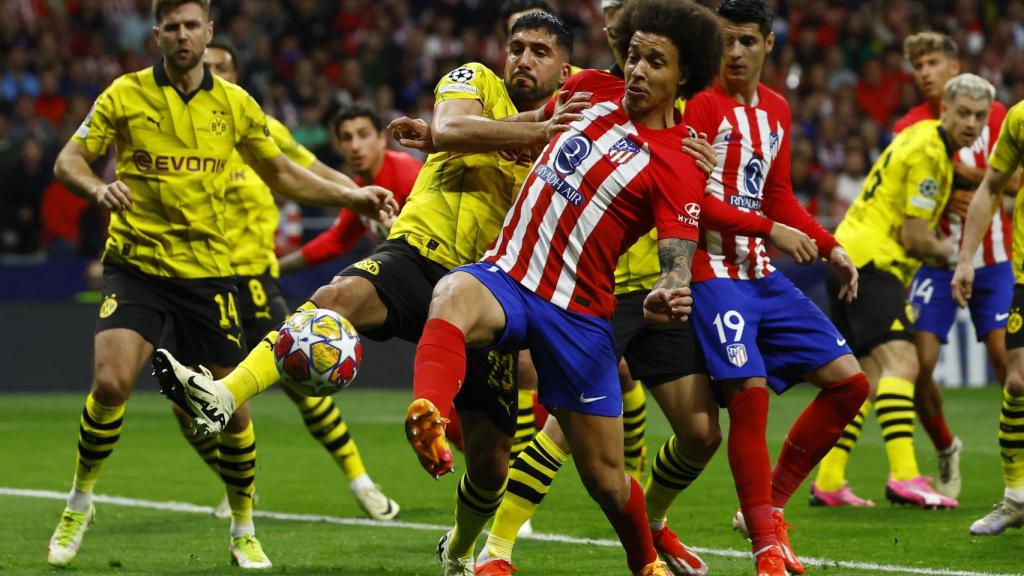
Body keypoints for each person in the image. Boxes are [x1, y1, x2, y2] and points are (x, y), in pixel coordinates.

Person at [152, 12, 587, 576]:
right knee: (339, 296)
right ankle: (224, 396)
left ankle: (458, 548)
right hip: (419, 248)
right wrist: (535, 130)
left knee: (490, 464)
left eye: (539, 51)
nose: (523, 59)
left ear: (565, 64)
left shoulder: (579, 123)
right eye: (516, 47)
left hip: (490, 285)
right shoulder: (474, 79)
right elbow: (450, 129)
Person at [45, 0, 395, 570]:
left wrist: (353, 195)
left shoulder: (235, 104)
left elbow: (284, 171)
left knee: (230, 412)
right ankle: (79, 503)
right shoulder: (123, 93)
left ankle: (242, 528)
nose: (182, 36)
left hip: (210, 274)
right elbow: (69, 160)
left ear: (208, 32)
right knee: (111, 383)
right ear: (157, 33)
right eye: (172, 27)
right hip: (136, 264)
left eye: (192, 26)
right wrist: (95, 189)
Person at [403, 1, 726, 574]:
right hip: (511, 273)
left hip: (579, 315)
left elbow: (678, 250)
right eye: (633, 56)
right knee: (451, 293)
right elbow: (527, 128)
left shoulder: (680, 163)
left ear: (683, 78)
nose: (637, 71)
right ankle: (428, 409)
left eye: (656, 62)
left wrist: (671, 287)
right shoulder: (592, 90)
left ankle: (644, 561)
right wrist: (436, 134)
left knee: (606, 478)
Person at [679, 1, 868, 574]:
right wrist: (771, 228)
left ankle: (771, 507)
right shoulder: (701, 106)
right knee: (751, 399)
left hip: (762, 274)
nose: (734, 53)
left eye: (745, 42)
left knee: (850, 385)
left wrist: (831, 245)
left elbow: (779, 196)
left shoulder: (778, 111)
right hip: (711, 273)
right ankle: (765, 546)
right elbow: (694, 203)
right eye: (725, 42)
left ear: (767, 45)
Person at [813, 32, 1014, 507]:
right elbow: (915, 237)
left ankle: (829, 480)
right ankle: (905, 474)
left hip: (849, 255)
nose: (970, 124)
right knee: (905, 362)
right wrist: (955, 256)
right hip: (873, 262)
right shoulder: (927, 149)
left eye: (978, 118)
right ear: (943, 109)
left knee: (865, 376)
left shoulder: (923, 140)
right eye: (962, 114)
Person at [203, 41, 400, 522]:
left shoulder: (258, 128)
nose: (210, 75)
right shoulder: (177, 132)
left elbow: (306, 170)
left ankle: (362, 482)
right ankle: (237, 485)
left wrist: (357, 197)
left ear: (234, 72)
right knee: (193, 401)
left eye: (220, 67)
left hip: (250, 273)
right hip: (192, 277)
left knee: (300, 373)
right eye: (205, 68)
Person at [952, 98, 1024, 536]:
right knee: (1016, 382)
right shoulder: (1018, 117)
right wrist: (966, 259)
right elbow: (991, 187)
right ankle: (1016, 497)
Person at [279, 103, 422, 273]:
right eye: (347, 138)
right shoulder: (360, 189)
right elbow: (336, 241)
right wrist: (273, 269)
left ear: (382, 138)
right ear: (339, 145)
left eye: (363, 135)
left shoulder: (407, 174)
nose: (355, 146)